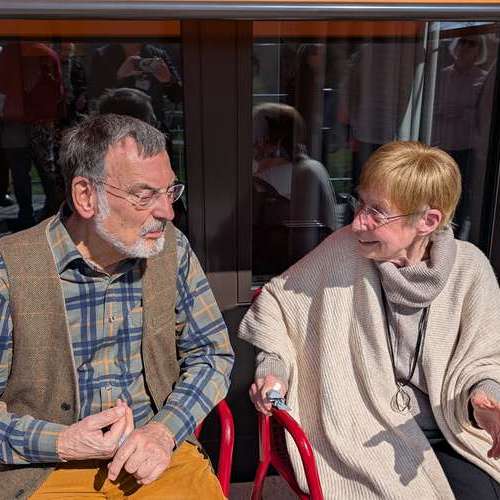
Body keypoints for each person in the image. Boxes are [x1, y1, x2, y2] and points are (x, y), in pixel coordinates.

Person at [240, 141, 500, 499]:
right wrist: (274, 370)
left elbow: (485, 358)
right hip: (360, 427)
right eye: (360, 203)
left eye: (377, 212)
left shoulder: (470, 269)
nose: (357, 221)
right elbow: (277, 305)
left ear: (427, 221)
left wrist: (487, 399)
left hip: (450, 427)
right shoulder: (345, 248)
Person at [0, 113, 234, 499]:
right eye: (145, 195)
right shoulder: (10, 269)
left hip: (154, 454)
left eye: (170, 191)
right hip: (42, 468)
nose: (167, 212)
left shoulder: (171, 249)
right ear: (86, 196)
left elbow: (212, 354)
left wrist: (163, 431)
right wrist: (62, 442)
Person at [252, 102, 336, 277]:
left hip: (282, 270)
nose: (256, 147)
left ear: (276, 143)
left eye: (260, 140)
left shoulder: (273, 176)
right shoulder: (315, 167)